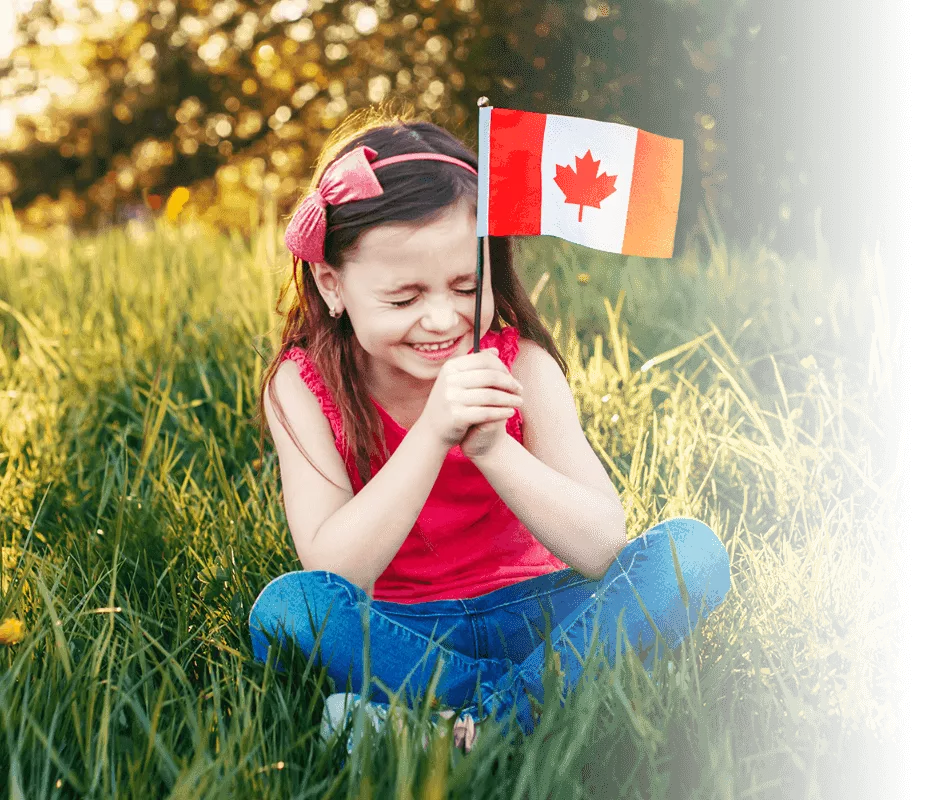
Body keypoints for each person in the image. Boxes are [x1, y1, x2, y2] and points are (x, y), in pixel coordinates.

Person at [248, 108, 731, 754]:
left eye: (466, 285)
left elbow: (600, 544)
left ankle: (458, 726)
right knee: (289, 611)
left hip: (536, 611)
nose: (442, 318)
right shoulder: (303, 386)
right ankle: (535, 703)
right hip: (401, 630)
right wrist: (431, 436)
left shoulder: (521, 364)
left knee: (690, 557)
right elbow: (338, 569)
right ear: (331, 285)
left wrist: (492, 447)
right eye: (404, 298)